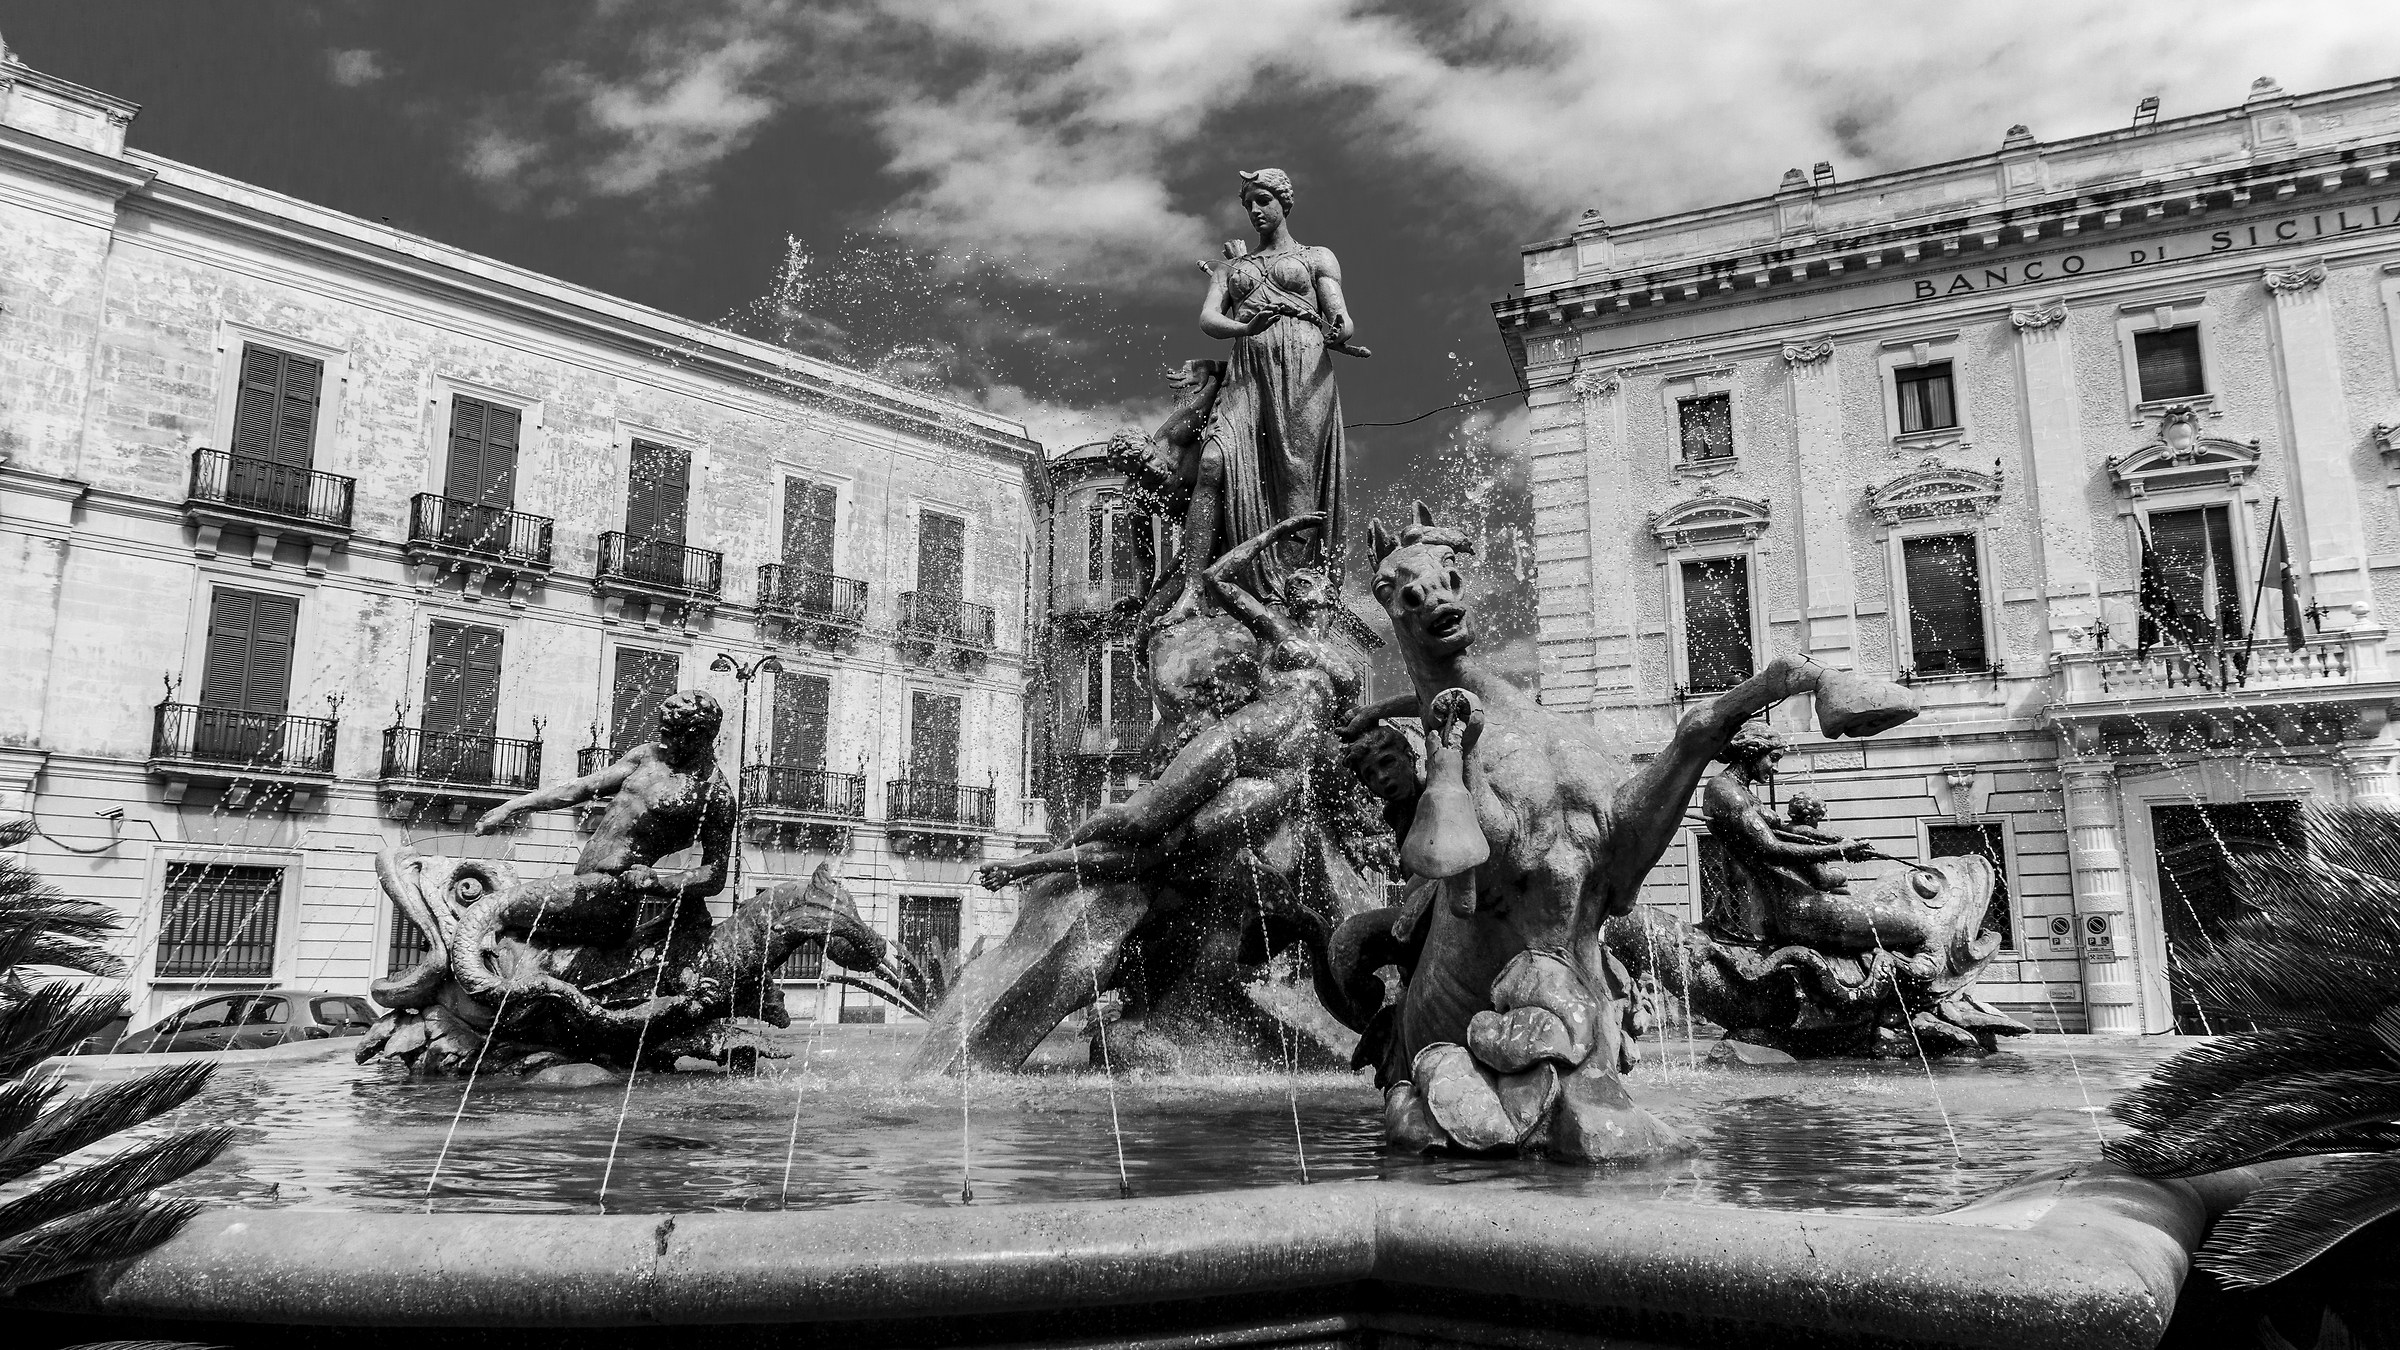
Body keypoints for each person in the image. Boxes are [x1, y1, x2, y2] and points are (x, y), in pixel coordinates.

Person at [974, 514, 1360, 893]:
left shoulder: (1349, 668)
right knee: (1138, 820)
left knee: (1172, 849)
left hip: (1281, 773)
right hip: (1239, 737)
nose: (1296, 589)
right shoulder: (1278, 628)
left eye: (1306, 583)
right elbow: (1216, 577)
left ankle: (1040, 866)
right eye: (1293, 586)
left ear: (1328, 596)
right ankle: (1043, 862)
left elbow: (1352, 726)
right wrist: (1273, 534)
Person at [1187, 168, 1358, 605]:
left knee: (1297, 474)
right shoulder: (1233, 267)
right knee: (1212, 463)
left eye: (1262, 200)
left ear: (1284, 202)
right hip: (1247, 369)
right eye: (1248, 205)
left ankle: (1290, 592)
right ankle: (1194, 588)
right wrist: (1243, 327)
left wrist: (1340, 328)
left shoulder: (1317, 256)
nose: (1255, 211)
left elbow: (1339, 314)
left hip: (1303, 361)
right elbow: (1209, 319)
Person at [462, 690, 736, 952]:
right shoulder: (648, 756)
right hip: (583, 885)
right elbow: (581, 788)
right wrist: (512, 806)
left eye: (669, 734)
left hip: (611, 895)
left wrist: (657, 884)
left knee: (490, 910)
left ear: (695, 736)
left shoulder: (715, 795)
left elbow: (715, 874)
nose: (661, 739)